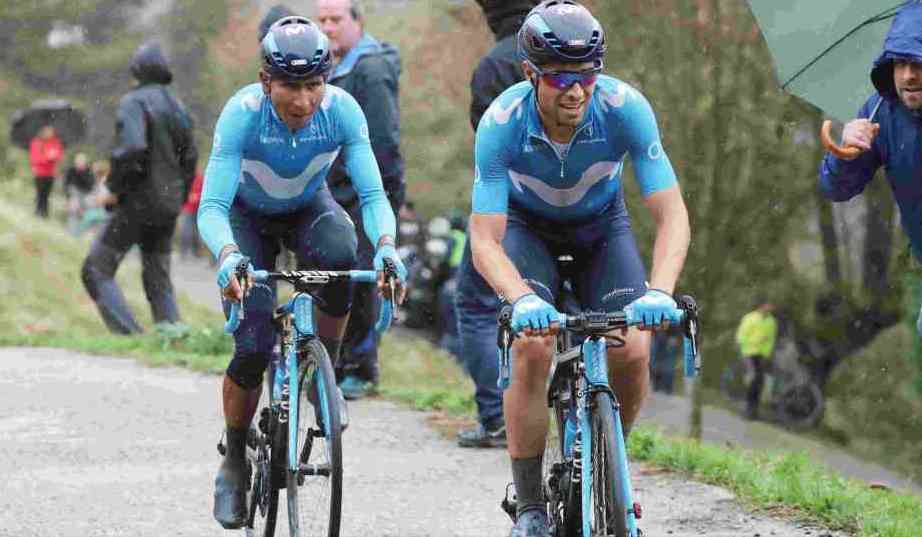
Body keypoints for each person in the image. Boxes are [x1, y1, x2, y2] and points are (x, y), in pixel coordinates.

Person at [468, 2, 690, 535]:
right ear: (530, 73)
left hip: (601, 231)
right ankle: (529, 506)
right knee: (531, 346)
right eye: (561, 78)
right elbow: (484, 239)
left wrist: (661, 291)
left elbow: (673, 214)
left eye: (587, 76)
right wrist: (521, 299)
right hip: (528, 231)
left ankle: (611, 460)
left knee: (632, 347)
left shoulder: (625, 108)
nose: (576, 91)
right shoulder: (501, 122)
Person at [196, 16, 405, 529]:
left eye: (314, 85)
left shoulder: (343, 111)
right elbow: (212, 207)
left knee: (341, 251)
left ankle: (322, 375)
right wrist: (228, 255)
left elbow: (373, 195)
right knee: (252, 343)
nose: (304, 100)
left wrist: (386, 247)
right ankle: (234, 458)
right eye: (291, 86)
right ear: (266, 81)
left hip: (308, 206)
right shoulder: (242, 114)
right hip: (246, 218)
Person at [454, 0, 538, 449]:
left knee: (475, 303)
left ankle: (496, 416)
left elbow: (487, 149)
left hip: (508, 208)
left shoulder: (495, 65)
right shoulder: (568, 49)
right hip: (570, 201)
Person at [315, 0, 406, 400]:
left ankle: (362, 367)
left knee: (362, 278)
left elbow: (383, 138)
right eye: (322, 20)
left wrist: (377, 194)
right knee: (335, 273)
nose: (328, 27)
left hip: (366, 192)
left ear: (357, 21)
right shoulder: (333, 67)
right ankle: (335, 360)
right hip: (335, 191)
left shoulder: (371, 68)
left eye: (336, 19)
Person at [818, 2, 922, 334]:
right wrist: (845, 153)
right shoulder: (880, 112)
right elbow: (835, 188)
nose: (909, 75)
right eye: (900, 62)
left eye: (919, 62)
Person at [80, 41, 198, 335]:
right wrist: (178, 198)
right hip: (168, 205)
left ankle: (130, 336)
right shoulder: (178, 107)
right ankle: (173, 337)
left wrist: (113, 188)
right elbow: (190, 159)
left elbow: (132, 148)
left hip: (137, 202)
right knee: (158, 279)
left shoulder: (134, 102)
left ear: (136, 71)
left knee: (96, 269)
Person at [735, 302, 778, 420]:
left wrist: (766, 354)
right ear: (762, 306)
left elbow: (770, 340)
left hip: (761, 354)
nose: (771, 308)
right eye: (768, 305)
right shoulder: (750, 318)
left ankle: (754, 409)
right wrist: (742, 348)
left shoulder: (771, 322)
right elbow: (741, 335)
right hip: (748, 352)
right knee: (753, 377)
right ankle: (747, 407)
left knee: (760, 381)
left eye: (772, 306)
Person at [28, 125, 63, 218]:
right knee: (40, 192)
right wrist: (47, 158)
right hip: (39, 172)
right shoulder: (36, 142)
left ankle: (45, 213)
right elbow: (35, 158)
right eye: (47, 131)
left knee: (47, 194)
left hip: (50, 173)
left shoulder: (56, 142)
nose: (49, 133)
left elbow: (59, 155)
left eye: (51, 131)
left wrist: (53, 157)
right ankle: (38, 211)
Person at [64, 152, 95, 235]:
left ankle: (84, 231)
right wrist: (68, 198)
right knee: (74, 205)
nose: (79, 164)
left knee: (87, 207)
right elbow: (66, 185)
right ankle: (71, 230)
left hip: (86, 194)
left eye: (81, 162)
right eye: (77, 162)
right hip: (74, 194)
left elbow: (90, 186)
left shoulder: (89, 171)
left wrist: (81, 173)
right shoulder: (71, 170)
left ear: (85, 163)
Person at [178, 169, 204, 259]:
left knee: (197, 232)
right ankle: (183, 252)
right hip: (188, 209)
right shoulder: (185, 178)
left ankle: (196, 252)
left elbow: (204, 192)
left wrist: (196, 196)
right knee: (186, 230)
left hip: (198, 209)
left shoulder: (200, 178)